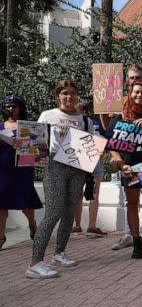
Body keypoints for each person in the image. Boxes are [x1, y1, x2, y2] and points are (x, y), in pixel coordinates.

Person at [26, 80, 95, 279]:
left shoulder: (85, 120)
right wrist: (39, 148)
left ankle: (59, 252)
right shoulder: (48, 115)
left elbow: (89, 147)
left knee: (69, 212)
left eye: (72, 93)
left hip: (78, 169)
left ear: (77, 95)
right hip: (55, 167)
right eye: (64, 93)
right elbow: (35, 143)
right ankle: (35, 262)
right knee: (53, 213)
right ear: (58, 95)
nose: (69, 97)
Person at [103, 64, 142, 251]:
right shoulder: (120, 113)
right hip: (130, 166)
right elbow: (111, 142)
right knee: (133, 204)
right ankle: (137, 243)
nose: (139, 95)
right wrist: (121, 165)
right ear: (130, 91)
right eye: (136, 91)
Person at [0, 95, 43, 250]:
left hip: (23, 169)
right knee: (1, 204)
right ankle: (0, 236)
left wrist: (32, 150)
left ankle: (32, 224)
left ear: (20, 107)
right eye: (7, 106)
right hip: (3, 170)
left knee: (25, 202)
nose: (10, 108)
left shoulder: (29, 126)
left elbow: (40, 147)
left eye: (13, 105)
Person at [72, 103, 107, 237]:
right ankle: (91, 226)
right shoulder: (97, 123)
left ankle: (77, 225)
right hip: (94, 160)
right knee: (93, 195)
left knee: (77, 195)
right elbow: (105, 139)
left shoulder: (75, 123)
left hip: (78, 161)